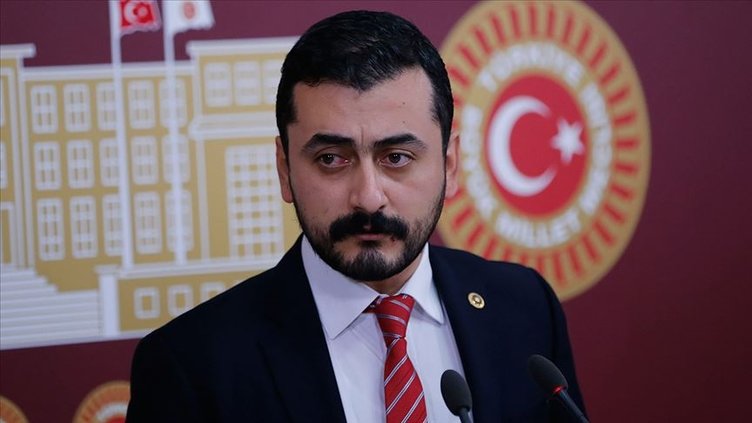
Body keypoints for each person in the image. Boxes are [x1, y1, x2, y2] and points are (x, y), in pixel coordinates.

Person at [126, 10, 585, 423]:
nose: (368, 198)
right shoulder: (191, 365)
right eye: (331, 159)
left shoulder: (525, 308)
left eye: (397, 157)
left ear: (449, 165)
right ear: (285, 170)